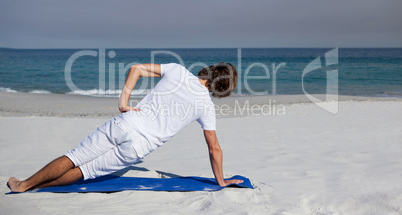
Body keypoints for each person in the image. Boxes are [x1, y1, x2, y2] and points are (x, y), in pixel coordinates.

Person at [8, 62, 243, 192]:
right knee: (84, 172)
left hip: (127, 123)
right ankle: (33, 187)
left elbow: (136, 69)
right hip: (140, 147)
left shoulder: (178, 71)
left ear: (211, 70)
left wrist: (123, 101)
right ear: (221, 88)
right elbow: (214, 148)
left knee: (74, 157)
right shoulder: (206, 107)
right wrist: (220, 180)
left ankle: (25, 184)